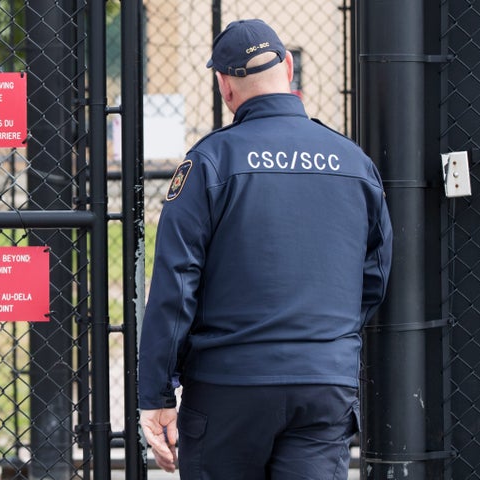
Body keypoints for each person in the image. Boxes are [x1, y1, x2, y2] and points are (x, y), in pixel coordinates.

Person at [138, 18, 392, 479]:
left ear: (224, 86)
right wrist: (322, 341)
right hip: (323, 381)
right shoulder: (354, 163)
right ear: (289, 67)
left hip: (229, 383)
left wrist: (156, 394)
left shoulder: (210, 161)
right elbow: (374, 276)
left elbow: (175, 284)